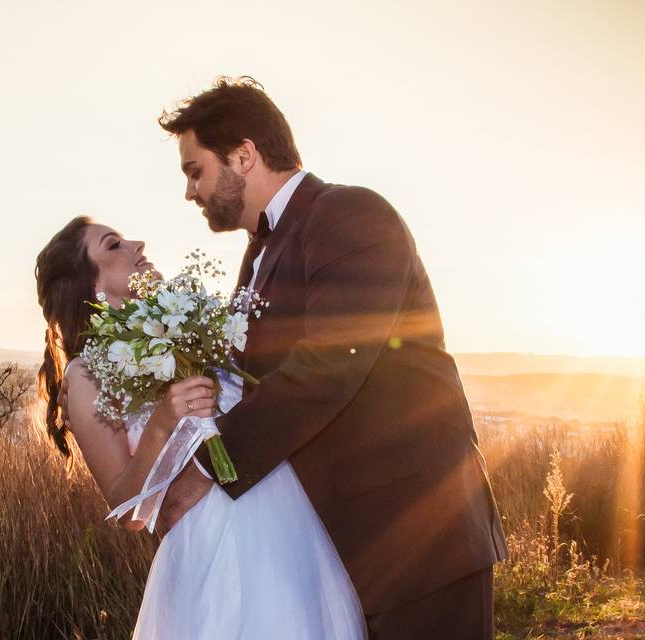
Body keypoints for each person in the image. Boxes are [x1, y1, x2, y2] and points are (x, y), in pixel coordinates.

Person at [155, 76, 507, 639]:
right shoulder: (257, 256)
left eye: (194, 170)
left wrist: (208, 469)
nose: (190, 193)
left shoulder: (350, 214)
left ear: (243, 155)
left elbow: (328, 367)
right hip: (334, 555)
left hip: (417, 536)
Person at [35, 217, 367, 639]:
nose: (137, 243)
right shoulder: (87, 376)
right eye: (114, 245)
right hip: (213, 549)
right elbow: (130, 512)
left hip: (290, 526)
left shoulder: (192, 330)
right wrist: (161, 425)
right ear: (94, 287)